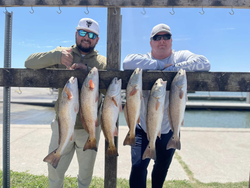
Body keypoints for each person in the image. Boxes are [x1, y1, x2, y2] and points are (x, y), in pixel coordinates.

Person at [123, 23, 210, 188]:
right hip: (143, 127)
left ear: (171, 41)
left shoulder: (180, 56)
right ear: (151, 42)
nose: (161, 40)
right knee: (138, 167)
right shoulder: (144, 58)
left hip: (169, 128)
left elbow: (205, 63)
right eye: (157, 37)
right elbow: (127, 62)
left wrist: (175, 68)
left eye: (166, 37)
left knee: (161, 168)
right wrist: (161, 67)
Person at [25, 18, 106, 188]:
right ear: (76, 34)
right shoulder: (62, 52)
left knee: (86, 174)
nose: (86, 37)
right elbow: (29, 63)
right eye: (82, 32)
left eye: (92, 35)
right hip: (61, 124)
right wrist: (57, 56)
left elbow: (111, 91)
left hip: (89, 129)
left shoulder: (102, 63)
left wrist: (89, 73)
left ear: (97, 40)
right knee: (54, 173)